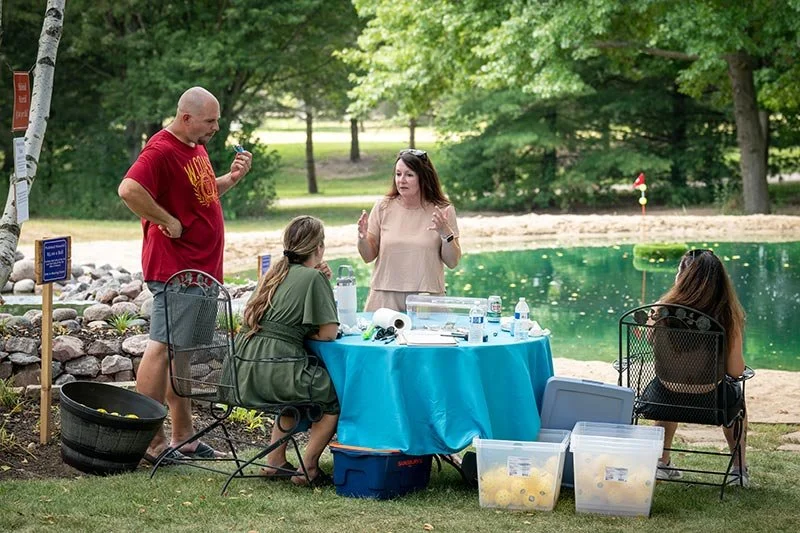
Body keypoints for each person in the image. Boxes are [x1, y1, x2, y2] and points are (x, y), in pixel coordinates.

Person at [118, 86, 253, 463]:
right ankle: (151, 442)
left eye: (217, 120)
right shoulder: (161, 150)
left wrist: (231, 179)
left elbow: (201, 196)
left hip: (202, 271)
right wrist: (166, 220)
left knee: (183, 356)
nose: (216, 127)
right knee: (162, 348)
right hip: (177, 271)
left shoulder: (195, 146)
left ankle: (185, 437)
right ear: (186, 117)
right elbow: (129, 189)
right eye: (210, 121)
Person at [231, 215, 340, 487]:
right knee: (331, 394)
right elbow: (329, 333)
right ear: (319, 247)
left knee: (297, 393)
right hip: (275, 367)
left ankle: (275, 462)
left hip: (241, 367)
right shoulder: (314, 278)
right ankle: (309, 467)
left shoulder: (273, 273)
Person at [648, 249, 749, 486]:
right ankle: (739, 470)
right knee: (737, 399)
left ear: (682, 278)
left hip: (664, 397)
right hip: (711, 400)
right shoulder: (727, 315)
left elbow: (650, 341)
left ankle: (662, 463)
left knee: (667, 387)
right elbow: (735, 371)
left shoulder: (662, 310)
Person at [357, 149, 461, 311]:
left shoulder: (443, 210)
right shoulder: (382, 207)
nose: (401, 180)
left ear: (423, 177)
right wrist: (362, 238)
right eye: (398, 174)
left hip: (427, 299)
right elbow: (367, 256)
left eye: (409, 175)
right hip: (384, 297)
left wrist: (445, 233)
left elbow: (453, 262)